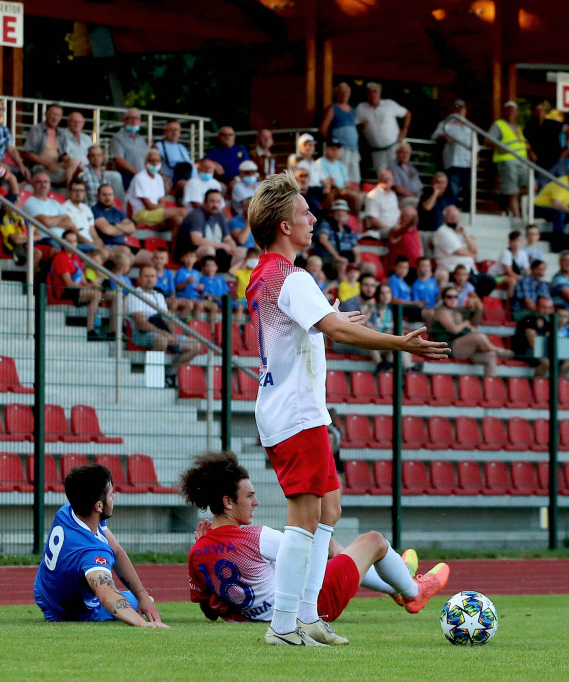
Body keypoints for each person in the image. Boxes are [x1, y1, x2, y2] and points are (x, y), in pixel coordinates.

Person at [244, 170, 448, 646]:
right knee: (304, 516)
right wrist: (399, 342)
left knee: (328, 509)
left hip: (291, 408)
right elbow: (336, 331)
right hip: (295, 411)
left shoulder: (269, 275)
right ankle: (283, 625)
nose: (313, 217)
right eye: (303, 211)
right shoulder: (291, 278)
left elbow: (315, 327)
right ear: (284, 226)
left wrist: (328, 322)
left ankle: (310, 615)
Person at [181, 451, 446, 625]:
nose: (256, 502)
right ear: (228, 502)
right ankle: (412, 590)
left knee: (335, 551)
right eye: (249, 496)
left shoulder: (197, 552)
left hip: (267, 616)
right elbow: (317, 552)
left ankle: (398, 580)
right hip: (309, 607)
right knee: (373, 541)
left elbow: (209, 611)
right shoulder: (255, 536)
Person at [33, 464, 167, 627]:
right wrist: (142, 623)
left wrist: (142, 594)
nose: (114, 497)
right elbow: (106, 592)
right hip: (71, 612)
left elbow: (116, 550)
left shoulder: (69, 510)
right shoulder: (92, 550)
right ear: (98, 506)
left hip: (45, 594)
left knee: (142, 599)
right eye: (111, 494)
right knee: (135, 603)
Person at [127, 264, 203, 387]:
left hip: (162, 332)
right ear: (139, 279)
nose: (149, 279)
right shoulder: (134, 295)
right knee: (161, 340)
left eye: (152, 276)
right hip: (141, 335)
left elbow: (167, 319)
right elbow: (141, 324)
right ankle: (154, 379)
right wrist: (165, 334)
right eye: (146, 276)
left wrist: (172, 334)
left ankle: (170, 373)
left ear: (156, 279)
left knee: (195, 346)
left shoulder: (159, 296)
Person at [431, 287, 511, 377]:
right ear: (444, 299)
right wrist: (465, 324)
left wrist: (476, 311)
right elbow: (454, 330)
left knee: (490, 355)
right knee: (478, 337)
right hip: (447, 347)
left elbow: (471, 325)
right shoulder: (442, 311)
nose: (453, 300)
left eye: (455, 297)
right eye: (450, 297)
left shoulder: (457, 313)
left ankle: (490, 384)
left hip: (461, 346)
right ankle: (498, 350)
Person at [49, 229, 108, 341]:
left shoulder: (76, 258)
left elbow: (84, 281)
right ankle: (90, 330)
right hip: (65, 292)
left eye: (74, 241)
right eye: (69, 241)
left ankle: (113, 332)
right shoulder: (61, 258)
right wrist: (88, 288)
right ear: (62, 242)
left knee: (113, 296)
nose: (72, 244)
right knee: (96, 295)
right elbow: (69, 283)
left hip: (79, 291)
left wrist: (93, 285)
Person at [175, 189, 243, 273]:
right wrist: (223, 246)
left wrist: (232, 245)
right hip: (189, 254)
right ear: (204, 202)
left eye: (218, 202)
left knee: (243, 252)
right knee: (209, 249)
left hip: (215, 252)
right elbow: (197, 241)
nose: (215, 205)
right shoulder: (196, 215)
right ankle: (207, 277)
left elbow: (227, 238)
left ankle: (236, 279)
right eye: (212, 201)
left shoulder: (220, 216)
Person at [92, 183, 152, 267]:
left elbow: (132, 228)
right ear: (98, 196)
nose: (107, 198)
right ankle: (119, 279)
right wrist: (124, 230)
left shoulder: (116, 211)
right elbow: (107, 230)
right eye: (104, 195)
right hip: (108, 245)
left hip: (123, 245)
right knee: (127, 256)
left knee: (153, 258)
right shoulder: (95, 210)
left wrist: (115, 225)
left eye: (110, 195)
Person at [488, 101, 529, 218]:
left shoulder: (518, 127)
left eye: (514, 110)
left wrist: (531, 152)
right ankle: (516, 215)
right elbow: (487, 140)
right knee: (512, 191)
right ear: (505, 111)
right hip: (507, 160)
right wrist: (498, 146)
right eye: (509, 110)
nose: (511, 113)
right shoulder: (499, 124)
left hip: (522, 161)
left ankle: (503, 198)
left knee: (529, 187)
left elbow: (521, 143)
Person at [126, 149, 186, 230]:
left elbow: (162, 201)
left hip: (155, 213)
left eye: (157, 161)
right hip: (141, 215)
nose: (155, 163)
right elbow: (149, 206)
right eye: (152, 161)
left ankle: (177, 243)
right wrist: (161, 207)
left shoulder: (159, 178)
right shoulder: (140, 178)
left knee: (177, 220)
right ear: (146, 163)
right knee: (182, 212)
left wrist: (159, 207)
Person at [357, 82, 411, 172]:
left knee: (399, 174)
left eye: (375, 91)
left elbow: (407, 114)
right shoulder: (361, 108)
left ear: (379, 94)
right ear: (367, 95)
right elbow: (355, 127)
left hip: (394, 147)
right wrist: (361, 127)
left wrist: (404, 130)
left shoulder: (389, 104)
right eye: (370, 92)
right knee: (382, 178)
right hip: (377, 151)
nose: (372, 94)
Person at [21, 103, 78, 187]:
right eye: (53, 114)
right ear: (46, 114)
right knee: (73, 178)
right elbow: (27, 153)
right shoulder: (36, 130)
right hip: (39, 167)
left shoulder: (61, 134)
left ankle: (69, 184)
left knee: (74, 161)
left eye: (58, 115)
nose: (55, 118)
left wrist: (66, 159)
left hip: (56, 166)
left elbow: (63, 155)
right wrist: (47, 164)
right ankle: (70, 185)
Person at [533, 166, 569, 252]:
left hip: (557, 209)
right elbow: (557, 205)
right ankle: (558, 244)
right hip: (539, 208)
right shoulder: (562, 182)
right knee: (560, 213)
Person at [432, 100, 473, 208]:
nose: (459, 110)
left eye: (462, 108)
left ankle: (467, 212)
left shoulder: (470, 127)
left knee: (468, 189)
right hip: (453, 162)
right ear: (453, 109)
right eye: (457, 107)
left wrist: (476, 158)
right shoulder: (446, 124)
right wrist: (445, 137)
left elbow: (475, 145)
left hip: (468, 163)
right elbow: (435, 136)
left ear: (465, 110)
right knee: (452, 189)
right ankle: (450, 211)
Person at [320, 82, 360, 183]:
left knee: (355, 177)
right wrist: (332, 145)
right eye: (342, 92)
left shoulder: (352, 110)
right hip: (340, 149)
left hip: (353, 149)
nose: (344, 94)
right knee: (341, 176)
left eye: (347, 92)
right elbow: (323, 128)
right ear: (337, 94)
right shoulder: (333, 108)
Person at [311, 199, 359, 279]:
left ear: (347, 214)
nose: (340, 213)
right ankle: (344, 290)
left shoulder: (348, 230)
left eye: (343, 210)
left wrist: (355, 264)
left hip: (346, 259)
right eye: (337, 210)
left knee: (368, 267)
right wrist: (338, 257)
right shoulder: (326, 225)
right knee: (342, 264)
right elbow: (323, 240)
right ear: (332, 213)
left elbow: (356, 250)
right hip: (328, 259)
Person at [511, 296, 554, 377]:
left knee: (561, 361)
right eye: (543, 307)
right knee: (545, 362)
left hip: (538, 351)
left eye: (548, 308)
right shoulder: (528, 320)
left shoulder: (547, 323)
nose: (546, 311)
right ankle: (536, 386)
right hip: (523, 351)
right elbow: (532, 343)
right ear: (537, 306)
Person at [111, 108, 150, 189]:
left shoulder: (141, 139)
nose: (134, 121)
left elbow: (148, 158)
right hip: (127, 176)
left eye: (136, 118)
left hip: (143, 176)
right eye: (130, 118)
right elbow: (119, 160)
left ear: (139, 121)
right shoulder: (118, 137)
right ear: (124, 121)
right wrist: (137, 173)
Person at [62, 178, 104, 252]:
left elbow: (92, 230)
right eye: (75, 190)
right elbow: (76, 235)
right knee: (104, 253)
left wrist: (99, 242)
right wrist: (93, 245)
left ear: (84, 193)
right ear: (69, 192)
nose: (78, 194)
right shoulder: (64, 208)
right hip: (77, 244)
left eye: (81, 191)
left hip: (91, 243)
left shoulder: (86, 208)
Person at [154, 119, 196, 192]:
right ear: (165, 132)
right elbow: (155, 164)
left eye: (176, 130)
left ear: (180, 132)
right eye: (171, 130)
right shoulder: (158, 146)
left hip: (190, 178)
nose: (174, 132)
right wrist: (162, 176)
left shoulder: (182, 147)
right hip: (172, 180)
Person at [524, 101, 564, 174]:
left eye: (541, 110)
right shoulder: (529, 128)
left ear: (544, 112)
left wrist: (566, 148)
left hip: (556, 162)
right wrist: (530, 152)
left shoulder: (553, 124)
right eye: (537, 110)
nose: (540, 113)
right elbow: (524, 141)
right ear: (532, 112)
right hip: (539, 165)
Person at [486, 230, 530, 295]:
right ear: (509, 243)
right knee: (512, 280)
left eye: (518, 241)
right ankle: (510, 302)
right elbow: (509, 272)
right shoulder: (506, 253)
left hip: (506, 276)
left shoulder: (523, 254)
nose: (516, 243)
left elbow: (527, 270)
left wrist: (529, 279)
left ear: (522, 243)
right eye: (514, 241)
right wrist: (521, 278)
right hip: (494, 277)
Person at [417, 172, 455, 238]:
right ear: (433, 183)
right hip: (427, 231)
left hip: (443, 232)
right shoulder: (427, 192)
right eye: (438, 182)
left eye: (443, 183)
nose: (441, 185)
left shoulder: (448, 195)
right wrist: (435, 193)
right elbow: (427, 207)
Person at [385, 205, 422, 273]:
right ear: (401, 217)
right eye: (407, 216)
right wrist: (411, 222)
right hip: (399, 270)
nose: (410, 218)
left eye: (412, 216)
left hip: (415, 269)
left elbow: (420, 251)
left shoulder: (416, 232)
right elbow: (403, 229)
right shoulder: (395, 230)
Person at [364, 169, 400, 235]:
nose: (387, 180)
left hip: (393, 229)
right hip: (379, 230)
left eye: (389, 178)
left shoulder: (393, 195)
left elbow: (397, 216)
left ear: (392, 181)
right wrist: (389, 229)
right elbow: (373, 220)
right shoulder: (373, 195)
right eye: (384, 178)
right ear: (378, 180)